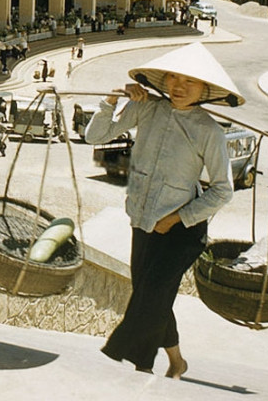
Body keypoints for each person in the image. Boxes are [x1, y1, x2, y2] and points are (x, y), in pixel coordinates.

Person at [84, 42, 240, 379]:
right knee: (153, 297)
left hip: (182, 230)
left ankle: (126, 361)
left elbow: (223, 190)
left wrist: (176, 219)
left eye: (190, 82)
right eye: (173, 78)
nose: (179, 87)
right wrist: (112, 100)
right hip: (143, 221)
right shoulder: (147, 109)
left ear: (205, 89)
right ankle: (177, 362)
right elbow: (94, 135)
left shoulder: (209, 131)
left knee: (151, 296)